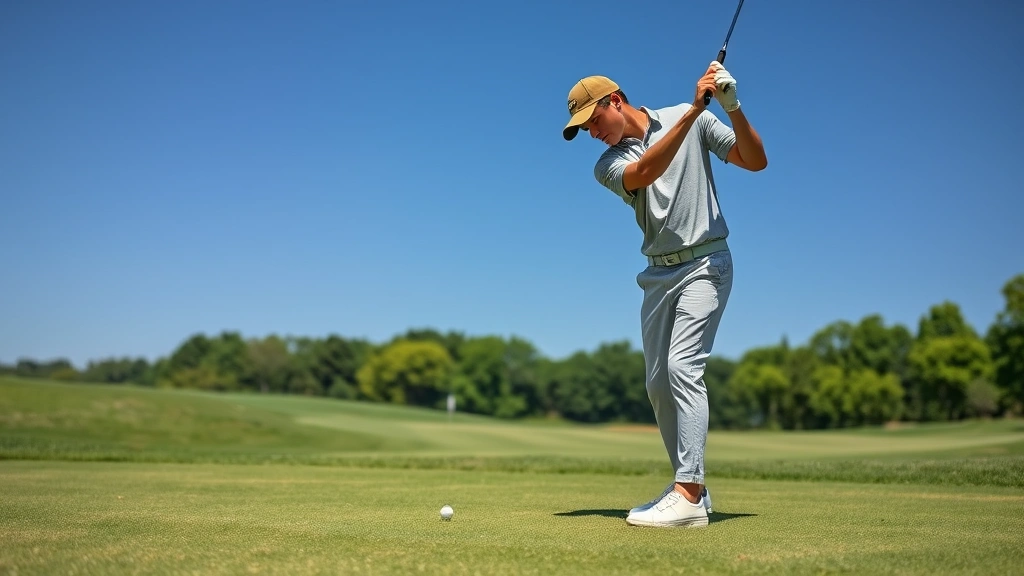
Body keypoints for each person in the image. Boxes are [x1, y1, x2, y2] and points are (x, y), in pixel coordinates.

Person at [562, 63, 767, 528]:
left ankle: (689, 492)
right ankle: (691, 483)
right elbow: (647, 171)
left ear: (615, 101)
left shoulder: (686, 117)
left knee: (682, 367)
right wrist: (694, 111)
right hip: (657, 276)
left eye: (593, 121)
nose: (592, 133)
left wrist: (729, 107)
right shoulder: (608, 164)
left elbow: (756, 161)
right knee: (657, 382)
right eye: (584, 128)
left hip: (706, 264)